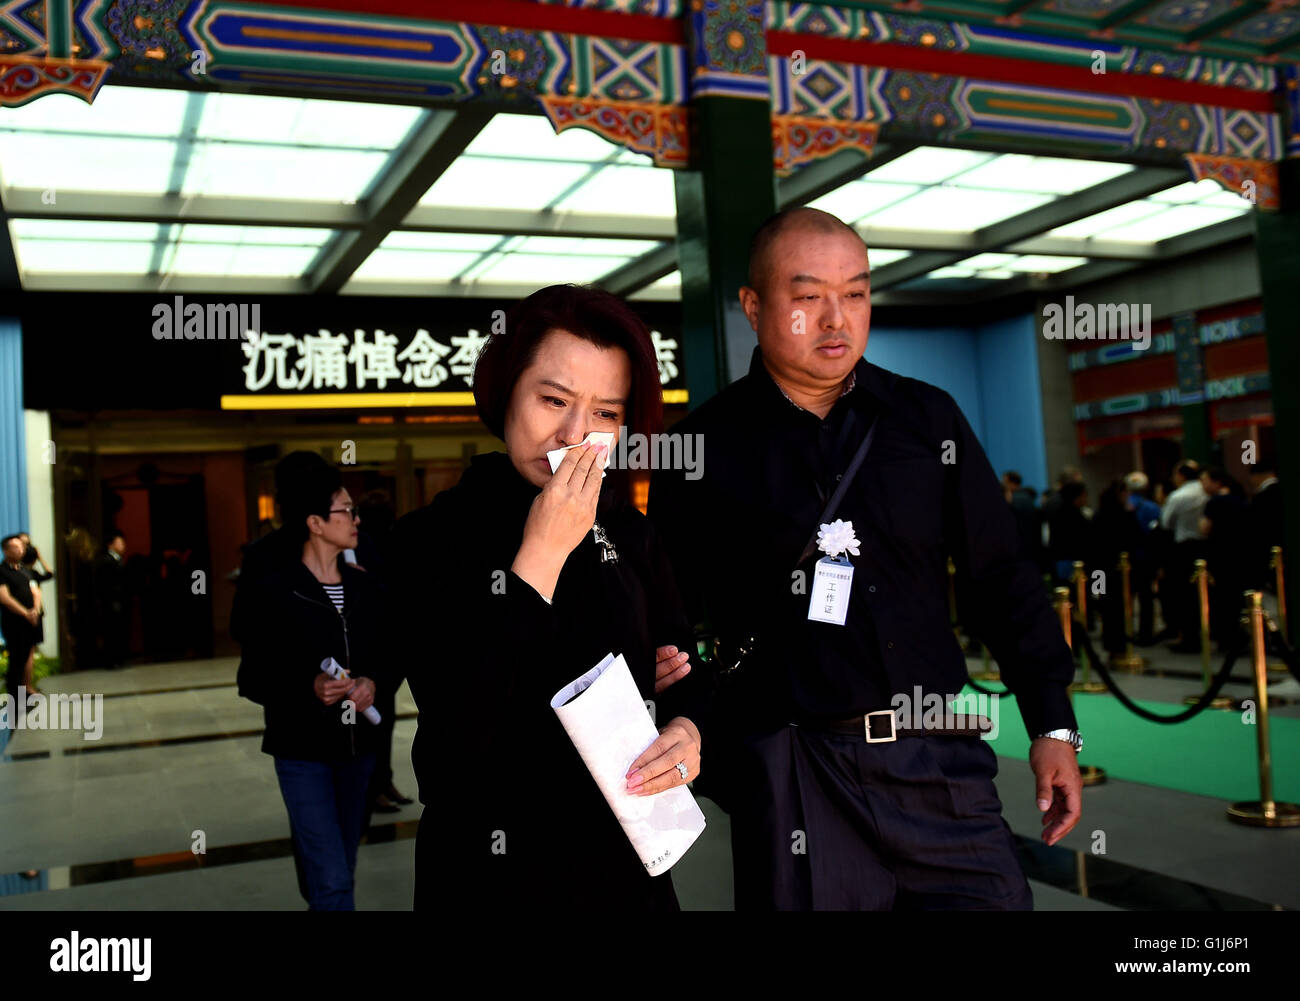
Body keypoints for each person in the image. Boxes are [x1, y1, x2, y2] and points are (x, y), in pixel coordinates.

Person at [649, 207, 1081, 911]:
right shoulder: (702, 450)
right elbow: (668, 626)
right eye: (808, 295)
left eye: (855, 293)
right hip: (797, 773)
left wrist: (1052, 722)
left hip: (939, 757)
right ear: (754, 307)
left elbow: (1000, 576)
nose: (836, 318)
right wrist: (720, 746)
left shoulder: (926, 419)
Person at [389, 283, 707, 912]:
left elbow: (681, 668)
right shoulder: (432, 539)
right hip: (488, 870)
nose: (574, 434)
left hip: (624, 862)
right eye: (553, 399)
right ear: (506, 392)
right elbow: (459, 734)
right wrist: (541, 553)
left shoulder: (632, 531)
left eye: (606, 414)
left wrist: (690, 728)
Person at [234, 462, 392, 910]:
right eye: (347, 510)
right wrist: (309, 686)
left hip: (359, 749)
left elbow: (388, 652)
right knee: (332, 880)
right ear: (315, 523)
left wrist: (372, 681)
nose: (357, 519)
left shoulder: (366, 585)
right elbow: (253, 673)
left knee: (340, 867)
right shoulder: (275, 587)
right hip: (302, 751)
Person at [1160, 460, 1208, 653]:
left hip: (1184, 547)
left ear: (1181, 475)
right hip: (1204, 545)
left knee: (1185, 595)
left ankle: (1189, 637)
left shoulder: (1178, 495)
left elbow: (1166, 522)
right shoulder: (1205, 491)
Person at [1200, 468, 1249, 652]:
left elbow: (1204, 528)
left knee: (1221, 599)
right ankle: (1240, 635)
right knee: (1237, 598)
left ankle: (1226, 638)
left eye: (1204, 480)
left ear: (1217, 482)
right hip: (1239, 555)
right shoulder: (1239, 498)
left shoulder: (1214, 502)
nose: (1202, 485)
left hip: (1219, 555)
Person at [1091, 481, 1141, 656]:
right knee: (1120, 606)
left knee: (1106, 607)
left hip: (1101, 570)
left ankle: (1112, 643)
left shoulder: (1098, 515)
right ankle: (1121, 643)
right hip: (1118, 570)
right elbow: (1135, 538)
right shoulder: (1124, 514)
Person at [1, 534, 42, 714]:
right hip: (14, 622)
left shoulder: (25, 570)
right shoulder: (2, 571)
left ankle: (25, 690)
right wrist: (25, 613)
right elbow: (5, 597)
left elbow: (36, 591)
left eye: (21, 547)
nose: (20, 550)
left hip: (31, 620)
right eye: (15, 547)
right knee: (17, 659)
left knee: (28, 654)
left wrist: (35, 610)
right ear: (6, 550)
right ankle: (14, 700)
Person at [1123, 472, 1161, 645]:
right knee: (1146, 597)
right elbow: (1156, 533)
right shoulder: (1152, 507)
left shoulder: (1123, 505)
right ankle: (1146, 633)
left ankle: (1126, 631)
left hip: (1126, 559)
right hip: (1146, 557)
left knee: (1126, 595)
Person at [95, 531, 129, 669]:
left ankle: (119, 658)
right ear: (111, 544)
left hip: (119, 601)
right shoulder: (106, 561)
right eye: (120, 543)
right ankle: (111, 660)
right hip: (111, 602)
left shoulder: (118, 559)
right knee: (111, 632)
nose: (123, 545)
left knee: (119, 631)